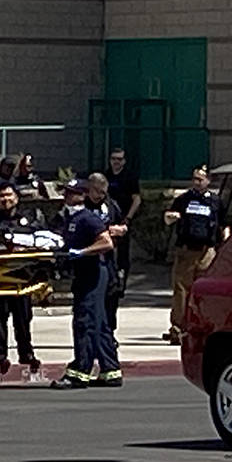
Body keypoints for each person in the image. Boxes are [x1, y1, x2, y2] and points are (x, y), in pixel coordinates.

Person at [52, 179, 122, 390]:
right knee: (99, 322)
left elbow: (106, 242)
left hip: (93, 273)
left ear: (81, 196)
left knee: (85, 321)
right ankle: (110, 370)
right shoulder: (70, 218)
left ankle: (80, 372)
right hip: (84, 274)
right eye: (65, 193)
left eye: (71, 193)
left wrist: (81, 252)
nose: (66, 197)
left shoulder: (87, 219)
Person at [163, 165, 225, 344]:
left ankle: (203, 326)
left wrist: (225, 244)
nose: (196, 182)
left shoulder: (215, 201)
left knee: (204, 289)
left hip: (207, 251)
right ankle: (178, 329)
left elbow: (223, 224)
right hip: (186, 250)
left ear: (208, 181)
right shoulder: (184, 199)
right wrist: (171, 217)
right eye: (194, 179)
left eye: (200, 179)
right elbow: (168, 218)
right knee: (182, 290)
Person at [0, 183, 45, 375]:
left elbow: (39, 240)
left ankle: (27, 355)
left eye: (9, 195)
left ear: (17, 198)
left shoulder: (28, 220)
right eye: (1, 196)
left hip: (22, 280)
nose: (6, 199)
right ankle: (0, 357)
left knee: (23, 320)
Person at [86, 172, 128, 333]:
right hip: (89, 258)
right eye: (97, 191)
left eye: (104, 192)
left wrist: (120, 230)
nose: (101, 195)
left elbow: (122, 224)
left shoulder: (110, 205)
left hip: (109, 258)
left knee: (111, 295)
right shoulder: (83, 206)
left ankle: (109, 332)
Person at [106, 148, 141, 296]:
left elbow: (137, 199)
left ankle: (121, 283)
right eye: (114, 158)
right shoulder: (105, 176)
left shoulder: (129, 177)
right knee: (106, 250)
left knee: (123, 254)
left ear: (124, 161)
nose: (116, 162)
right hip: (107, 220)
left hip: (123, 220)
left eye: (119, 159)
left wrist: (128, 218)